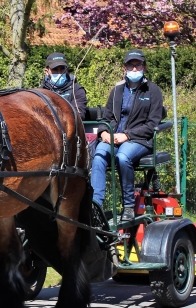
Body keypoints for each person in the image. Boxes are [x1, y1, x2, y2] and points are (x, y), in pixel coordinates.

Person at [90, 49, 164, 221]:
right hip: (113, 138)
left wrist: (127, 135)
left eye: (138, 65)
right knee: (99, 156)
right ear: (125, 68)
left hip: (139, 140)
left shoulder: (153, 91)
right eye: (131, 65)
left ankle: (129, 206)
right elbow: (106, 117)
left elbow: (152, 124)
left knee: (123, 157)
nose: (135, 69)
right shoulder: (116, 91)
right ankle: (96, 207)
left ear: (144, 67)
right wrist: (104, 132)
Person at [41, 52, 87, 118]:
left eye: (62, 69)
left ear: (67, 70)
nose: (59, 73)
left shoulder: (77, 90)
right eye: (55, 69)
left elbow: (78, 115)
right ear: (46, 71)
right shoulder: (40, 92)